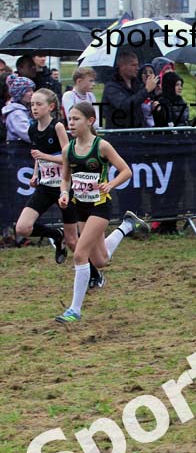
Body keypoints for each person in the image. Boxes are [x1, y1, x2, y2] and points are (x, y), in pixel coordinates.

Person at [55, 102, 149, 323]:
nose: (71, 123)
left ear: (90, 121)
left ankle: (74, 310)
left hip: (100, 206)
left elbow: (126, 171)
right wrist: (64, 193)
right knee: (99, 260)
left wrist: (110, 184)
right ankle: (127, 225)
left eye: (76, 119)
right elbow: (65, 179)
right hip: (80, 207)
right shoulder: (68, 150)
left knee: (80, 254)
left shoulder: (102, 146)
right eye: (69, 119)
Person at [14, 88, 76, 263]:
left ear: (51, 107)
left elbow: (69, 158)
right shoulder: (32, 129)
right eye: (32, 104)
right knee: (22, 228)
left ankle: (93, 272)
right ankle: (55, 235)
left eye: (39, 104)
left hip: (64, 187)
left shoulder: (57, 127)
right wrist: (35, 175)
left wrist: (45, 157)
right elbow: (37, 155)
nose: (34, 108)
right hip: (45, 186)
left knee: (73, 241)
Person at [102, 51, 158, 129]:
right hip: (119, 133)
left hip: (138, 131)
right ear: (122, 66)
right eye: (133, 65)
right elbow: (124, 106)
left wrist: (151, 104)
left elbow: (140, 105)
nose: (137, 68)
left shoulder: (137, 84)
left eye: (137, 65)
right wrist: (146, 90)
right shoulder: (111, 87)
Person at [3, 76, 34, 142]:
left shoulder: (25, 110)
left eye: (32, 90)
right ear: (19, 94)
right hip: (20, 148)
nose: (32, 93)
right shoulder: (16, 114)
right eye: (28, 91)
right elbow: (28, 136)